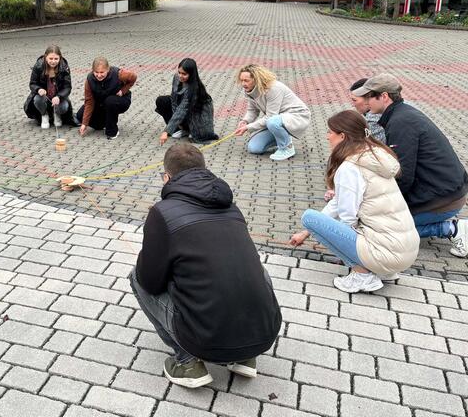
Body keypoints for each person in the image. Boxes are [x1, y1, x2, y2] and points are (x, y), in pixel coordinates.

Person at [130, 143, 282, 389]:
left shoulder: (162, 212)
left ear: (167, 177)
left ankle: (187, 362)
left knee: (136, 277)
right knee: (253, 270)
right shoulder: (231, 206)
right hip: (264, 334)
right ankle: (244, 357)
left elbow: (149, 281)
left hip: (207, 340)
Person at [290, 111, 420, 293]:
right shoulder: (373, 157)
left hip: (386, 254)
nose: (327, 137)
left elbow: (348, 217)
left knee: (309, 218)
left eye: (330, 132)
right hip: (405, 251)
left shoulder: (349, 167)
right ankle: (380, 270)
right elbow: (338, 202)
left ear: (342, 136)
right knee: (318, 223)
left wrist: (337, 245)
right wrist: (306, 233)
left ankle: (362, 275)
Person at [351, 74, 468, 257]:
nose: (366, 102)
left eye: (369, 97)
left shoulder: (401, 123)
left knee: (380, 229)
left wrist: (382, 206)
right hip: (447, 192)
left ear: (384, 96)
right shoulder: (403, 114)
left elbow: (403, 175)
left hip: (443, 200)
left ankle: (450, 228)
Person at [233, 64, 310, 161]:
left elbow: (270, 117)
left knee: (272, 121)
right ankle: (282, 137)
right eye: (241, 80)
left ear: (256, 79)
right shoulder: (250, 90)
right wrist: (245, 121)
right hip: (277, 120)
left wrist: (248, 127)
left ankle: (287, 148)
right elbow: (252, 110)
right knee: (254, 148)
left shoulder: (273, 88)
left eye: (246, 80)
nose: (243, 84)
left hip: (297, 116)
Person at [156, 58, 219, 145]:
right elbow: (173, 98)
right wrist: (173, 125)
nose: (181, 76)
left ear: (191, 74)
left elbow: (182, 110)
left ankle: (189, 130)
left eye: (184, 74)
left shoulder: (194, 89)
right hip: (183, 109)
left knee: (181, 113)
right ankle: (178, 129)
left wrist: (166, 131)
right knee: (162, 100)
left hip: (197, 118)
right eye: (179, 72)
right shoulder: (177, 77)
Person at [76, 57, 137, 140]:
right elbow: (89, 102)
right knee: (80, 115)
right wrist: (84, 124)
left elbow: (133, 77)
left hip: (120, 100)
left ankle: (112, 131)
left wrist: (123, 90)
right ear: (92, 70)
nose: (99, 75)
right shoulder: (90, 80)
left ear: (108, 69)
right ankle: (103, 123)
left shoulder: (119, 74)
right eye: (96, 72)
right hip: (102, 103)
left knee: (110, 101)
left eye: (102, 72)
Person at [24, 45, 75, 129]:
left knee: (64, 107)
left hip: (58, 97)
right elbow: (32, 83)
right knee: (37, 99)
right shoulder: (38, 66)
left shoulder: (64, 67)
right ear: (45, 57)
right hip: (43, 97)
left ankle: (57, 114)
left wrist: (59, 96)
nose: (53, 61)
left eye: (56, 59)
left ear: (60, 58)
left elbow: (67, 87)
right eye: (51, 58)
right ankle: (44, 115)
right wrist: (38, 89)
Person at [349, 78, 385, 143]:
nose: (353, 105)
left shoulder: (372, 120)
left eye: (355, 100)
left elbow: (371, 145)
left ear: (368, 98)